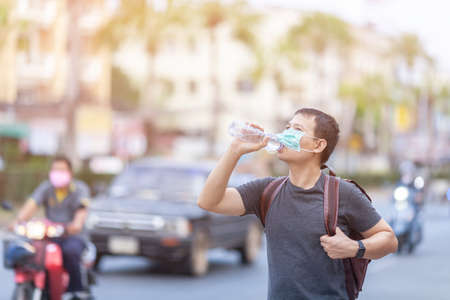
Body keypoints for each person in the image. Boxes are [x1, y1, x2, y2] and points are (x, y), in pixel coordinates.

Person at [198, 108, 398, 300]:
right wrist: (235, 150)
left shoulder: (342, 193)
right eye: (287, 127)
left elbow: (389, 240)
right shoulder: (266, 191)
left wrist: (354, 247)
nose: (287, 133)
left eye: (297, 129)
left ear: (318, 145)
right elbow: (209, 201)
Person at [9, 156, 91, 300]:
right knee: (32, 252)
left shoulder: (80, 189)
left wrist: (74, 226)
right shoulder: (46, 187)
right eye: (55, 170)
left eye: (61, 170)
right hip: (49, 235)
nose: (57, 173)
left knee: (70, 251)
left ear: (70, 172)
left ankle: (76, 290)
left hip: (71, 235)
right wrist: (17, 221)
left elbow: (81, 214)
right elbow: (31, 205)